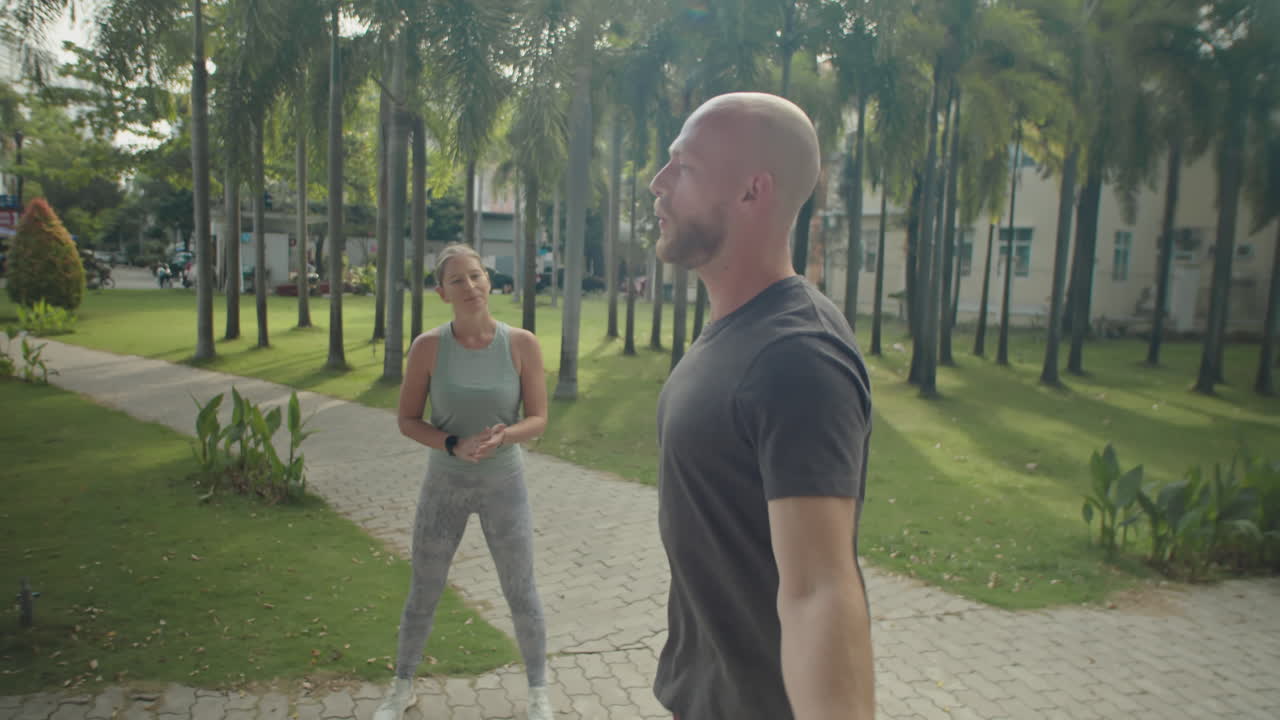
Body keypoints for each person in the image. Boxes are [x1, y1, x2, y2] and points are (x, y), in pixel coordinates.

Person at [648, 92, 875, 719]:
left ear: (753, 191)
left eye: (684, 168)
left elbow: (821, 592)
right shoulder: (739, 327)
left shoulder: (797, 356)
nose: (658, 183)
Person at [376, 242, 553, 720]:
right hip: (445, 488)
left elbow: (538, 418)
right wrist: (453, 444)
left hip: (504, 486)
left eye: (476, 276)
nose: (470, 286)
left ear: (489, 281)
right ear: (442, 292)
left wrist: (506, 435)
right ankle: (401, 686)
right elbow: (408, 420)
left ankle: (539, 692)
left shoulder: (521, 343)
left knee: (521, 590)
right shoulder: (428, 347)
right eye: (457, 280)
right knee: (424, 590)